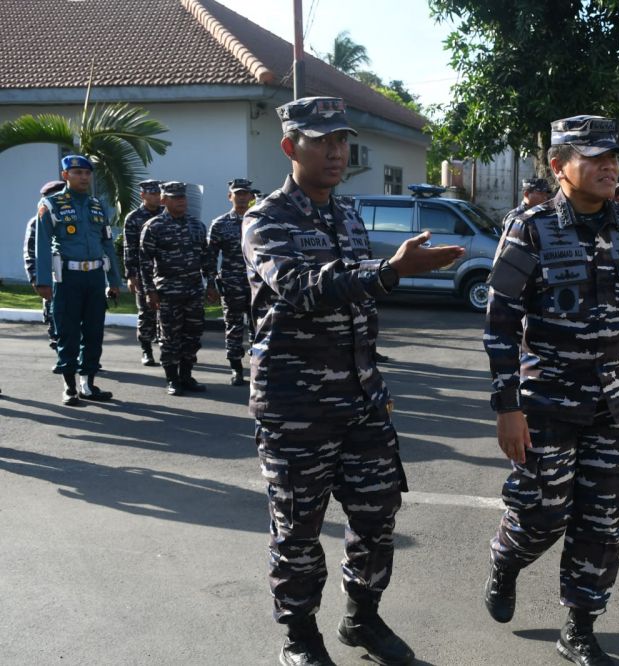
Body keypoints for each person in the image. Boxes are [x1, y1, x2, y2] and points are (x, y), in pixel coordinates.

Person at [242, 96, 464, 666]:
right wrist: (389, 271)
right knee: (297, 529)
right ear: (292, 147)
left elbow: (356, 292)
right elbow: (301, 287)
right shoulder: (265, 219)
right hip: (297, 407)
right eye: (323, 141)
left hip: (362, 397)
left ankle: (361, 618)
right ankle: (300, 635)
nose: (337, 152)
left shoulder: (345, 215)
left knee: (376, 514)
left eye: (342, 141)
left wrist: (389, 275)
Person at [482, 115, 619, 666]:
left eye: (613, 157)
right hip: (546, 404)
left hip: (617, 403)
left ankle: (580, 626)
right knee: (542, 513)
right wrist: (507, 407)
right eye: (593, 157)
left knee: (605, 519)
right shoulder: (531, 228)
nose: (609, 166)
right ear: (559, 165)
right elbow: (499, 324)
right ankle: (506, 559)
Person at [34, 156, 121, 406]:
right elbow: (41, 245)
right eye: (77, 172)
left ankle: (88, 383)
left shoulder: (97, 205)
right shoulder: (51, 204)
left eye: (86, 172)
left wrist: (113, 279)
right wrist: (43, 282)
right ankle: (70, 386)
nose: (83, 177)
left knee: (93, 332)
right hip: (67, 277)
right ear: (65, 176)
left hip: (94, 276)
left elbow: (107, 243)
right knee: (68, 332)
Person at [139, 181, 218, 396]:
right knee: (170, 336)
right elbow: (145, 263)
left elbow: (206, 259)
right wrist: (149, 291)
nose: (181, 201)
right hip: (167, 291)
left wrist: (211, 284)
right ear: (164, 200)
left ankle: (186, 375)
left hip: (193, 290)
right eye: (175, 198)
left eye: (183, 197)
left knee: (192, 335)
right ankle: (172, 379)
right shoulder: (153, 227)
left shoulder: (197, 226)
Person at [207, 178, 254, 385]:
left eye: (245, 193)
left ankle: (258, 366)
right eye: (238, 194)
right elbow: (210, 255)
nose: (242, 197)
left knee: (259, 327)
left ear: (251, 196)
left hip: (257, 284)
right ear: (230, 197)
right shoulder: (220, 223)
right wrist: (211, 282)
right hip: (232, 283)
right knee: (234, 327)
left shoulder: (260, 220)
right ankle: (236, 369)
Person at [122, 179, 164, 367]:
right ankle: (146, 350)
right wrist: (131, 275)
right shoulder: (134, 217)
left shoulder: (166, 214)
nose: (157, 197)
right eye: (153, 193)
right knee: (146, 312)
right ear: (143, 195)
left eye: (158, 193)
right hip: (143, 271)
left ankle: (167, 348)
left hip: (166, 271)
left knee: (167, 312)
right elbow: (129, 248)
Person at [24, 180, 66, 350]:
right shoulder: (37, 222)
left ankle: (83, 358)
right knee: (54, 317)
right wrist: (36, 278)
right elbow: (30, 253)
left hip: (75, 276)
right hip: (52, 278)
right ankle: (62, 357)